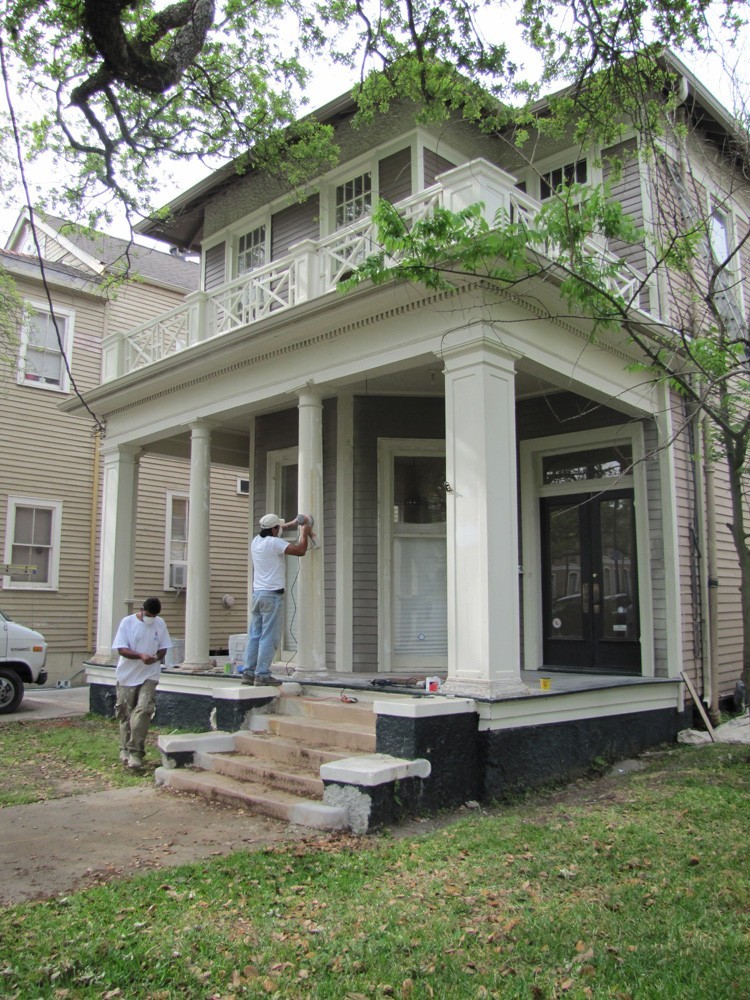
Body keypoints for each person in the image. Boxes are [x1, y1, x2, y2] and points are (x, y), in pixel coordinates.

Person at [243, 513, 311, 686]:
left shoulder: (256, 541)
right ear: (274, 530)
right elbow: (301, 551)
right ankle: (263, 674)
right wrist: (305, 532)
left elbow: (279, 528)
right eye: (278, 528)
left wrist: (295, 523)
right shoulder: (275, 543)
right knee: (269, 636)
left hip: (257, 594)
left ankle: (249, 673)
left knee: (254, 635)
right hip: (272, 595)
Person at [113, 597, 173, 769]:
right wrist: (140, 655)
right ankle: (124, 747)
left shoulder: (159, 624)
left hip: (150, 674)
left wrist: (156, 658)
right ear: (141, 610)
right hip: (127, 675)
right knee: (126, 713)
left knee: (144, 710)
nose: (151, 619)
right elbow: (121, 649)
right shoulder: (128, 623)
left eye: (154, 616)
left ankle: (136, 752)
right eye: (148, 615)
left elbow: (163, 648)